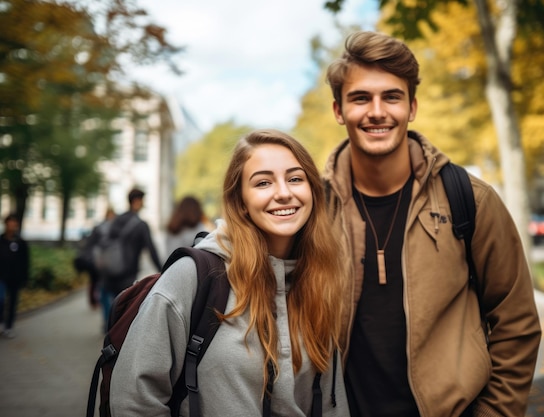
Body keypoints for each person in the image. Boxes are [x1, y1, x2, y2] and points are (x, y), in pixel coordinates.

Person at [323, 31, 542, 416]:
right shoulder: (315, 207)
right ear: (339, 111)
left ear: (412, 107)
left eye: (392, 96)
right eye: (360, 98)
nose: (377, 111)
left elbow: (516, 321)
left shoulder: (470, 199)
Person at [109, 129, 349, 416]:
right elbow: (133, 402)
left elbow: (332, 403)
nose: (284, 193)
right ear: (241, 202)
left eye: (296, 178)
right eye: (263, 182)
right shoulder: (194, 277)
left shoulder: (320, 279)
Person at [100, 188, 161, 328]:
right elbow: (152, 250)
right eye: (142, 200)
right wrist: (163, 270)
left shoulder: (116, 220)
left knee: (113, 304)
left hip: (111, 270)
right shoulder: (141, 225)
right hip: (128, 272)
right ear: (136, 201)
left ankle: (109, 328)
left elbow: (106, 242)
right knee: (125, 309)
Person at [74, 207, 116, 309]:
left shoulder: (106, 227)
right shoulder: (102, 228)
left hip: (101, 260)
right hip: (96, 260)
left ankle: (96, 301)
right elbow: (92, 244)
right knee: (95, 281)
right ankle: (94, 302)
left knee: (97, 281)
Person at [0, 213, 30, 338]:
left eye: (14, 223)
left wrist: (25, 278)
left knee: (12, 302)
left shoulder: (21, 242)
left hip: (15, 278)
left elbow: (25, 261)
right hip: (1, 276)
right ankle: (1, 322)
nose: (12, 225)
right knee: (0, 300)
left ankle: (9, 326)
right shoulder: (1, 240)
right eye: (10, 222)